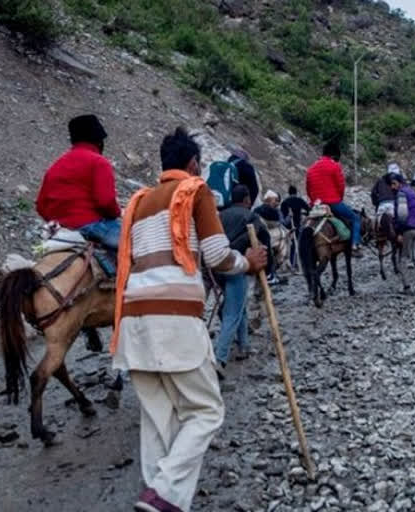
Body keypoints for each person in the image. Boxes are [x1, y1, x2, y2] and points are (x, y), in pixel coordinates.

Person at [110, 127, 267, 512]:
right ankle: (165, 493)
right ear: (194, 164)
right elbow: (216, 254)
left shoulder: (140, 201)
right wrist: (248, 262)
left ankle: (156, 496)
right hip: (174, 317)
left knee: (157, 416)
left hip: (132, 319)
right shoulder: (195, 191)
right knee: (206, 409)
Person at [36, 114, 121, 249]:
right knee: (137, 248)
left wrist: (61, 220)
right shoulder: (98, 162)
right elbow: (105, 201)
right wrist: (117, 213)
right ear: (99, 141)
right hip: (91, 226)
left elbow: (41, 205)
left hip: (59, 231)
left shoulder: (55, 166)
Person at [216, 185, 269, 373]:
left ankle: (244, 345)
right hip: (237, 266)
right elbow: (263, 236)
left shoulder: (221, 215)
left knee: (239, 306)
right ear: (247, 200)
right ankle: (219, 358)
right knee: (232, 312)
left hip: (217, 266)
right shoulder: (250, 216)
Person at [305, 140, 362, 255]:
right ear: (334, 155)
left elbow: (308, 188)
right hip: (332, 202)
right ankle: (355, 245)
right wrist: (339, 199)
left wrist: (313, 201)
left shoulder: (311, 169)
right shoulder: (334, 166)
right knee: (355, 218)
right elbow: (341, 185)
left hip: (317, 205)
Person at [389, 174, 415, 296]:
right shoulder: (414, 194)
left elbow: (401, 214)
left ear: (399, 183)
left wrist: (399, 232)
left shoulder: (401, 194)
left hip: (408, 229)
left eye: (394, 184)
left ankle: (407, 287)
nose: (392, 187)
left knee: (403, 258)